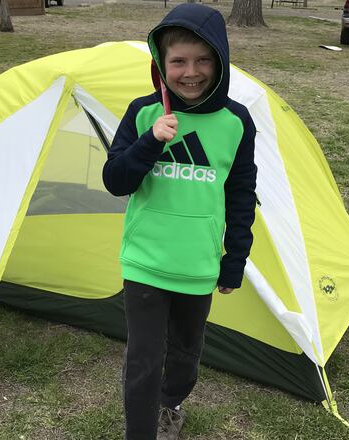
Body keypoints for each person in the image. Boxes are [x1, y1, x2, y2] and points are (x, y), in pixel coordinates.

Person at [102, 4, 258, 440]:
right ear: (161, 63)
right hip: (145, 261)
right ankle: (140, 432)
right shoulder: (143, 113)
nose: (191, 72)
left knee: (186, 355)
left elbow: (242, 194)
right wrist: (149, 142)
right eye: (179, 61)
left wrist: (235, 259)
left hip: (198, 265)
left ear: (220, 61)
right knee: (144, 359)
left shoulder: (236, 121)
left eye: (203, 59)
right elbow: (115, 181)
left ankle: (170, 404)